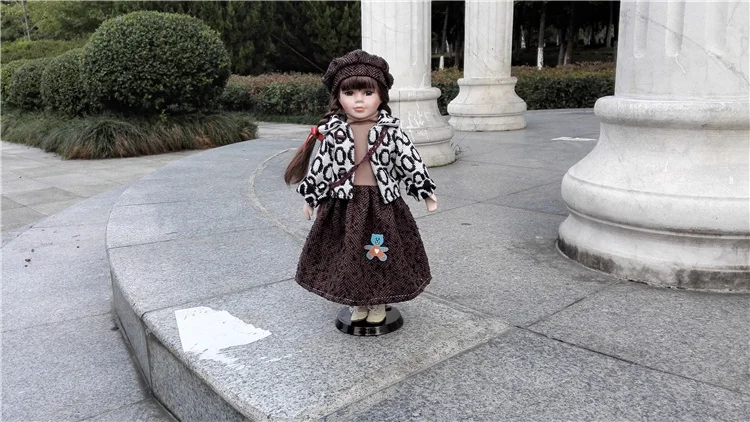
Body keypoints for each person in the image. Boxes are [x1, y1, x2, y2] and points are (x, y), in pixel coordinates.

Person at [284, 50, 438, 325]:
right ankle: (358, 302)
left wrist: (424, 189)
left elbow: (409, 159)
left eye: (368, 93)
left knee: (381, 254)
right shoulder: (334, 133)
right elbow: (322, 166)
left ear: (381, 96)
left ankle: (379, 301)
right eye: (349, 93)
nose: (358, 100)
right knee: (349, 255)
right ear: (338, 97)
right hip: (343, 205)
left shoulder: (391, 131)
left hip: (381, 205)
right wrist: (311, 198)